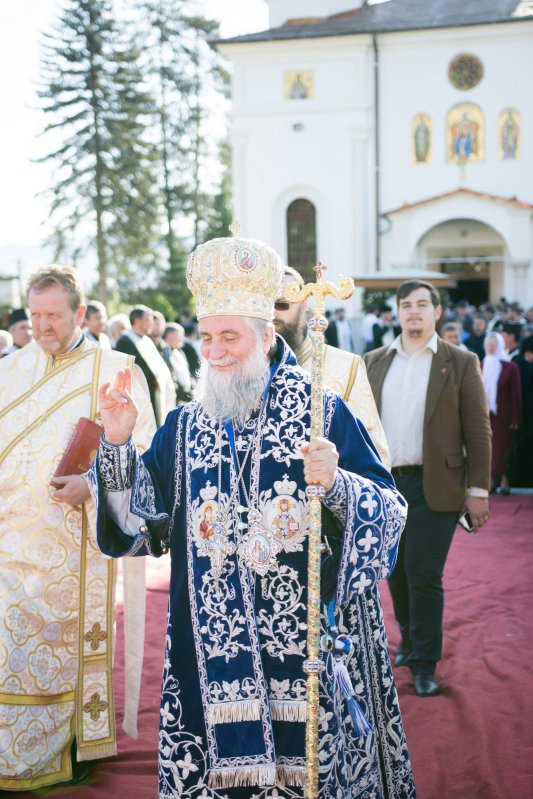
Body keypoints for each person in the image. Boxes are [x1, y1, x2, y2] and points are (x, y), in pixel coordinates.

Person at [89, 235, 415, 798]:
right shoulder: (187, 426)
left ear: (266, 336)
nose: (213, 351)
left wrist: (337, 484)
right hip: (208, 652)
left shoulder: (322, 410)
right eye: (206, 336)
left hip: (303, 646)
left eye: (229, 337)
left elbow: (388, 511)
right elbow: (138, 527)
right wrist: (116, 444)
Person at [0, 265, 155, 792]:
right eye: (34, 315)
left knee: (56, 651)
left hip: (74, 546)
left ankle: (60, 750)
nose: (41, 326)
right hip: (5, 545)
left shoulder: (115, 369)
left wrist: (92, 484)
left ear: (81, 314)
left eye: (54, 316)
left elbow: (146, 453)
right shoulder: (10, 368)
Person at [364, 280, 491, 697]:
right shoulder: (373, 362)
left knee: (424, 574)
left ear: (437, 312)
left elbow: (478, 429)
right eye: (406, 305)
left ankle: (424, 663)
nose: (413, 311)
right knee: (395, 572)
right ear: (397, 313)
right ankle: (411, 640)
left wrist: (478, 490)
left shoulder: (460, 361)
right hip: (385, 485)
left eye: (422, 304)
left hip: (436, 484)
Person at [274, 265, 390, 468]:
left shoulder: (347, 367)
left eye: (282, 305)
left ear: (303, 305)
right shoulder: (248, 370)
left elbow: (376, 457)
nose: (272, 315)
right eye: (263, 307)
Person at [115, 305, 175, 427]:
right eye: (148, 320)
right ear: (137, 321)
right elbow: (132, 369)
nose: (152, 324)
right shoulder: (125, 341)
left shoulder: (147, 340)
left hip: (156, 392)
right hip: (141, 396)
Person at [482, 332, 522, 495]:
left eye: (494, 344)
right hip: (485, 416)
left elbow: (516, 395)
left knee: (502, 449)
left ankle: (504, 480)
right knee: (487, 449)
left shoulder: (510, 366)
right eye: (489, 344)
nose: (491, 347)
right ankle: (490, 482)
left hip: (503, 417)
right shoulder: (481, 363)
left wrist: (516, 417)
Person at [162, 322, 192, 404]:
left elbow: (188, 375)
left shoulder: (179, 352)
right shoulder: (164, 353)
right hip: (174, 400)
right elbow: (172, 380)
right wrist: (189, 396)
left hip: (185, 397)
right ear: (170, 335)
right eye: (180, 335)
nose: (182, 339)